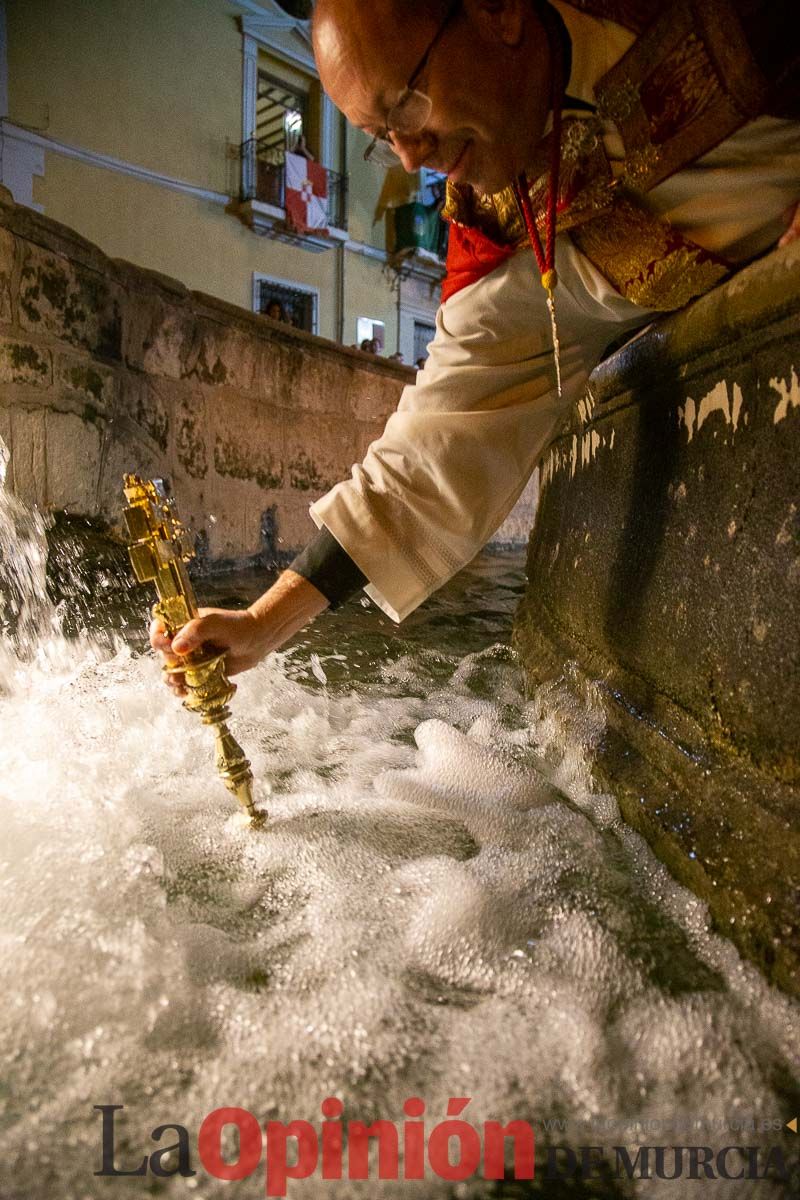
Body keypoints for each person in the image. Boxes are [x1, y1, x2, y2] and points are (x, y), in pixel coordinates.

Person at [152, 0, 799, 695]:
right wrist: (263, 622)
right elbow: (432, 451)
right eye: (380, 136)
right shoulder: (493, 239)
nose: (409, 154)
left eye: (405, 104)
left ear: (497, 12)